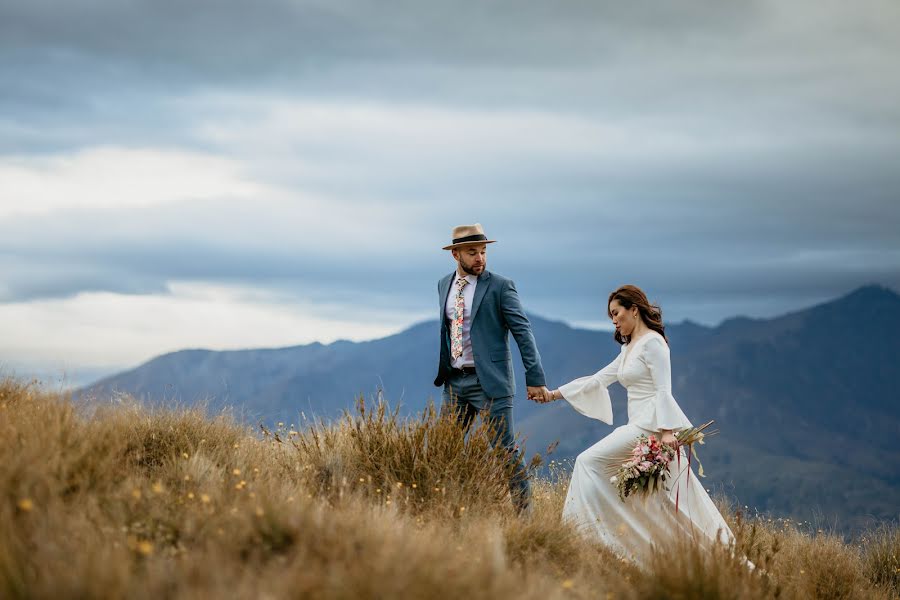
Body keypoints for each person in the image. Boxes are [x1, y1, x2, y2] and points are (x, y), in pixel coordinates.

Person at [542, 284, 736, 563]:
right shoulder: (629, 348)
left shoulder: (654, 343)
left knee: (587, 462)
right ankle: (633, 548)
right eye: (610, 315)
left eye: (616, 313)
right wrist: (553, 394)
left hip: (651, 429)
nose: (613, 320)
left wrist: (667, 432)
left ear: (634, 310)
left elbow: (663, 390)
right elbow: (599, 379)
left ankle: (582, 536)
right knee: (655, 500)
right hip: (638, 427)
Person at [434, 223, 551, 512]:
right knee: (442, 450)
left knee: (504, 452)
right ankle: (448, 511)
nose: (480, 258)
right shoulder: (443, 285)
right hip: (455, 383)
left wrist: (534, 377)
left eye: (484, 252)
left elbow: (522, 332)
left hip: (491, 383)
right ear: (455, 255)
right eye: (472, 252)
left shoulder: (500, 286)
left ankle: (525, 518)